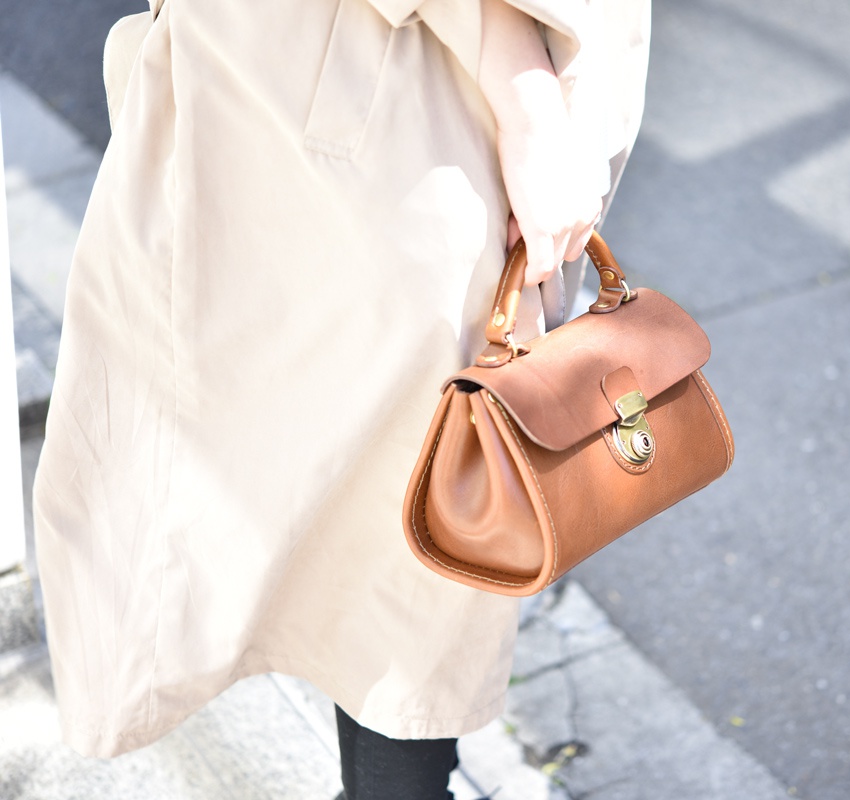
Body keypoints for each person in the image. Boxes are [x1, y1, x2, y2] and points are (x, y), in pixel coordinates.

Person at [31, 0, 650, 796]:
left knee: (396, 524)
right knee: (417, 518)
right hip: (389, 90)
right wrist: (527, 95)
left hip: (370, 93)